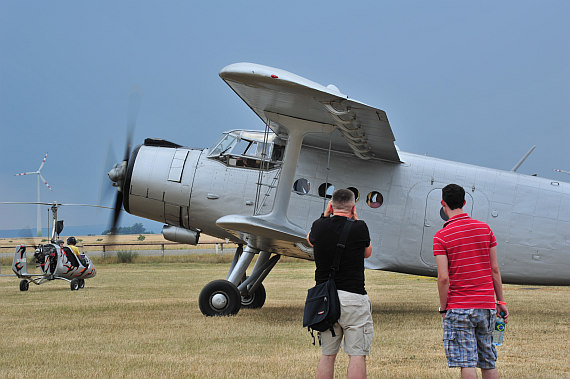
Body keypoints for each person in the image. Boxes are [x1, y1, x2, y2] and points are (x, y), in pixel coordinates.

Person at [433, 184, 509, 379]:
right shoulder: (485, 229)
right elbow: (494, 269)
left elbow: (443, 278)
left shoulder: (441, 236)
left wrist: (444, 308)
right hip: (486, 305)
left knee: (466, 362)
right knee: (488, 360)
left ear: (443, 204)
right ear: (464, 203)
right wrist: (500, 301)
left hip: (459, 307)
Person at [306, 188, 373, 379]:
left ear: (331, 205)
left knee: (327, 355)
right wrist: (356, 220)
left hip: (326, 300)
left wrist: (324, 216)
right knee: (357, 355)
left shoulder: (319, 226)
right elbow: (367, 253)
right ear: (353, 207)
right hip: (353, 297)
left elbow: (310, 240)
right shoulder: (359, 227)